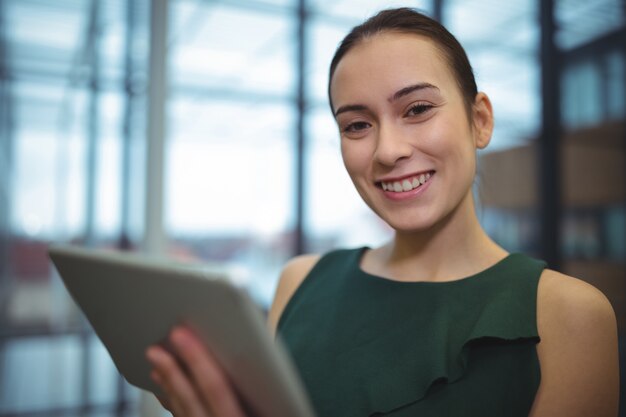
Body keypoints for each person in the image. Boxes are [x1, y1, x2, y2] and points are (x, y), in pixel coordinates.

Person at [145, 7, 619, 417]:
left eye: (416, 109)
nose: (387, 151)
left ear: (480, 120)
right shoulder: (299, 283)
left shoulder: (567, 316)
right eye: (356, 124)